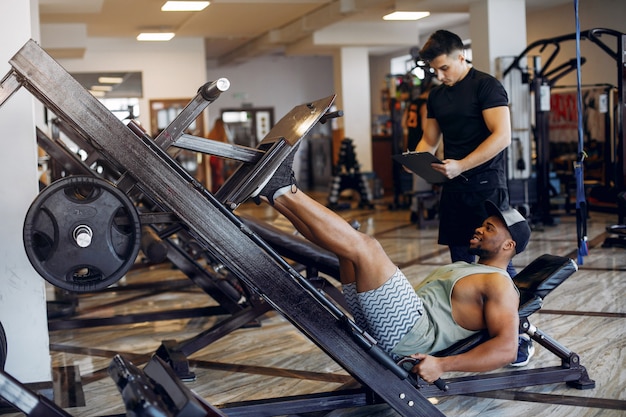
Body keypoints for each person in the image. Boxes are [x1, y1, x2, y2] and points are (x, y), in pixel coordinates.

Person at [249, 150, 531, 383]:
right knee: (345, 247)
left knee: (368, 246)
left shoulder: (501, 284)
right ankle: (274, 196)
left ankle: (283, 188)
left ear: (509, 246)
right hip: (393, 326)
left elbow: (507, 349)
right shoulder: (471, 268)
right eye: (483, 224)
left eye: (489, 228)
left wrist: (443, 365)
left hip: (411, 338)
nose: (480, 229)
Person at [416, 29, 534, 367]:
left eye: (443, 68)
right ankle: (475, 340)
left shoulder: (486, 86)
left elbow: (503, 136)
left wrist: (462, 164)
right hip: (454, 189)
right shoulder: (436, 96)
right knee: (463, 268)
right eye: (434, 71)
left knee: (497, 268)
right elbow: (429, 138)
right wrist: (417, 159)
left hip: (486, 188)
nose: (439, 76)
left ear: (461, 57)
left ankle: (517, 338)